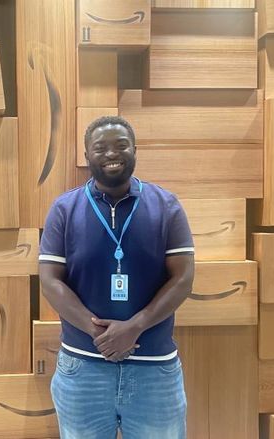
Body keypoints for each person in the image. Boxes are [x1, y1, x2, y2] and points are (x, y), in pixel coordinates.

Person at [39, 116, 195, 438]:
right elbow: (51, 281)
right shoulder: (64, 209)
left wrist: (133, 327)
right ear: (87, 156)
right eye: (100, 148)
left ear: (135, 151)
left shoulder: (167, 207)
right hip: (83, 370)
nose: (112, 153)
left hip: (154, 370)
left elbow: (183, 279)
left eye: (121, 145)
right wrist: (100, 334)